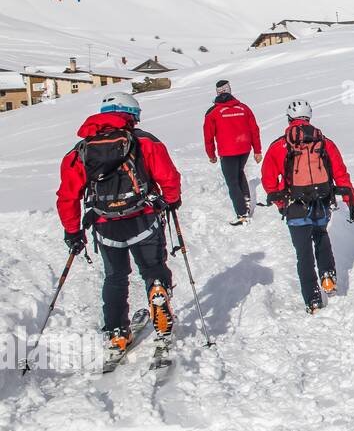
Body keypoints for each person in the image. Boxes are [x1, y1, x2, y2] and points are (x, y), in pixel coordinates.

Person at [56, 93, 182, 353]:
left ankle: (117, 332)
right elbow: (168, 176)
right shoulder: (144, 141)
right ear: (131, 115)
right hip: (143, 218)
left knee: (115, 277)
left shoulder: (80, 150)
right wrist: (171, 200)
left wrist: (72, 231)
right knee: (152, 266)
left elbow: (67, 195)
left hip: (105, 224)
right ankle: (158, 292)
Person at [260, 99, 354, 313]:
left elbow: (268, 180)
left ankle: (312, 299)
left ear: (289, 119)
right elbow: (341, 173)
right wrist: (351, 201)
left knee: (303, 253)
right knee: (322, 237)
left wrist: (281, 203)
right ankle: (328, 278)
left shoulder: (280, 145)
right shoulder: (324, 142)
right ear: (309, 117)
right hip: (321, 202)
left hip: (295, 206)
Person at [203, 79, 262, 224]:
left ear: (217, 93)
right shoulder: (243, 108)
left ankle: (242, 213)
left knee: (232, 182)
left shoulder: (213, 112)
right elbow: (254, 129)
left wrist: (211, 154)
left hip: (228, 152)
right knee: (239, 172)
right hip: (244, 149)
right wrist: (257, 150)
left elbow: (208, 136)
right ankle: (246, 201)